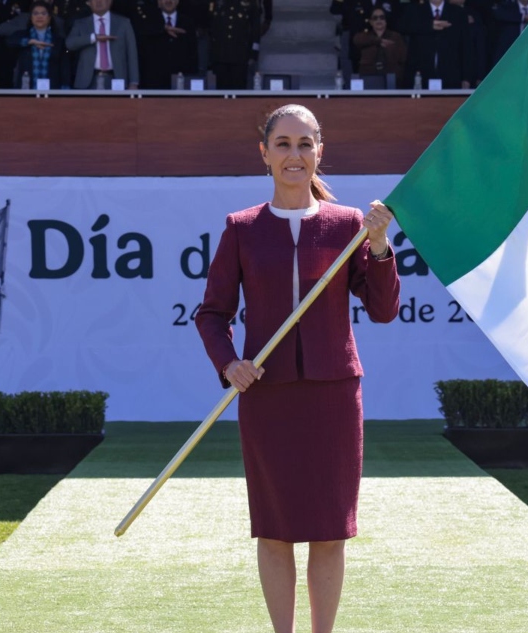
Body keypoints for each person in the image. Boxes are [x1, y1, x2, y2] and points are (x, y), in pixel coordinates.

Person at [194, 104, 400, 633]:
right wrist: (229, 364)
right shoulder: (241, 228)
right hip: (268, 399)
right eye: (283, 144)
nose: (294, 154)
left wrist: (379, 247)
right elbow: (212, 314)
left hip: (334, 396)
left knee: (330, 530)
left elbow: (383, 310)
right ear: (264, 153)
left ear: (319, 152)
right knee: (275, 530)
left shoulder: (348, 225)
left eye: (305, 144)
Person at [65, 0, 139, 89]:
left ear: (109, 2)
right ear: (89, 3)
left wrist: (133, 83)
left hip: (116, 79)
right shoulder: (81, 24)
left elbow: (132, 54)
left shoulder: (123, 23)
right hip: (87, 80)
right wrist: (93, 38)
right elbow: (69, 43)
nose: (98, 2)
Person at [7, 0, 71, 88]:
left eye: (43, 13)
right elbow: (9, 42)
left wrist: (65, 87)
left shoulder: (58, 40)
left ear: (49, 17)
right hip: (26, 87)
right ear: (31, 17)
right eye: (35, 13)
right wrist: (29, 41)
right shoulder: (22, 35)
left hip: (52, 88)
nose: (39, 16)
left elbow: (64, 67)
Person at [353, 6, 406, 82]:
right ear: (371, 22)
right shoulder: (365, 36)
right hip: (369, 76)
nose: (379, 20)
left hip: (390, 76)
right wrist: (378, 41)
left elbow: (403, 57)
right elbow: (356, 40)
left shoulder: (395, 36)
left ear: (386, 21)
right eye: (375, 18)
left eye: (382, 17)